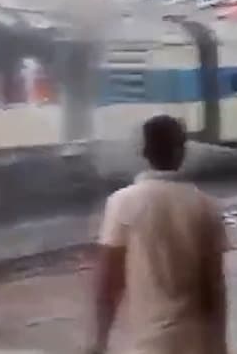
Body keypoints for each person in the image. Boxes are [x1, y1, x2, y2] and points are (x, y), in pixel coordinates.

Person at [88, 115, 228, 354]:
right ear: (182, 152)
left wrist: (99, 341)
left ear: (144, 152)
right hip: (198, 343)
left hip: (149, 345)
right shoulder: (206, 206)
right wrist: (220, 345)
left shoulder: (122, 203)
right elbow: (214, 287)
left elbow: (108, 283)